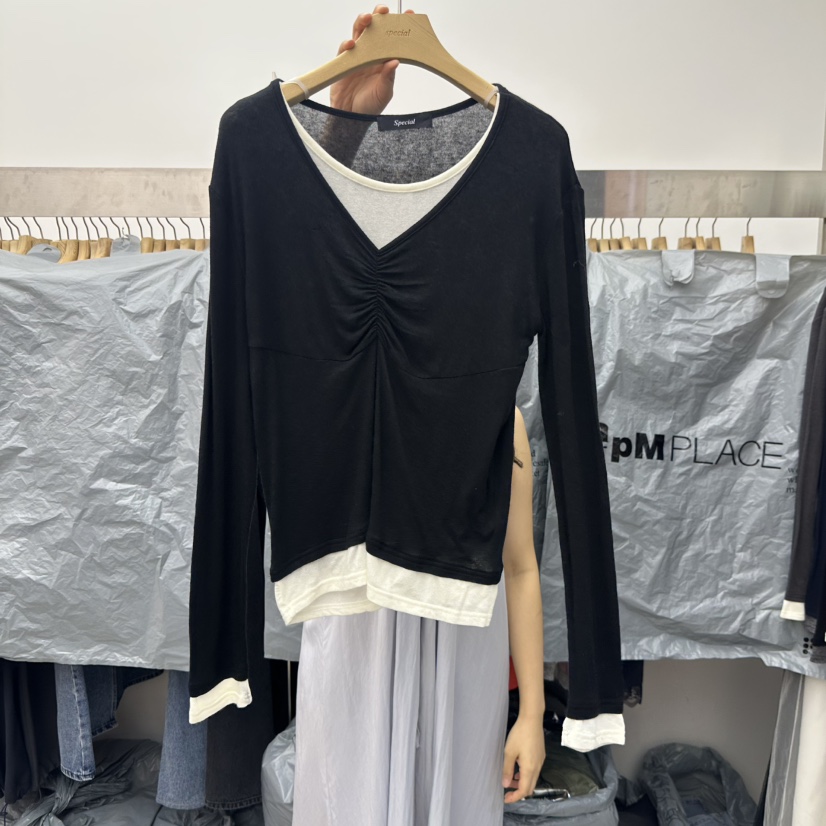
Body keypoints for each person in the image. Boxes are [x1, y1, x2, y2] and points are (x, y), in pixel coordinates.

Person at [290, 8, 546, 822]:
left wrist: (533, 715)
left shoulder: (497, 419)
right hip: (354, 661)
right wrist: (345, 125)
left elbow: (522, 567)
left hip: (464, 665)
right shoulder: (332, 394)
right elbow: (309, 247)